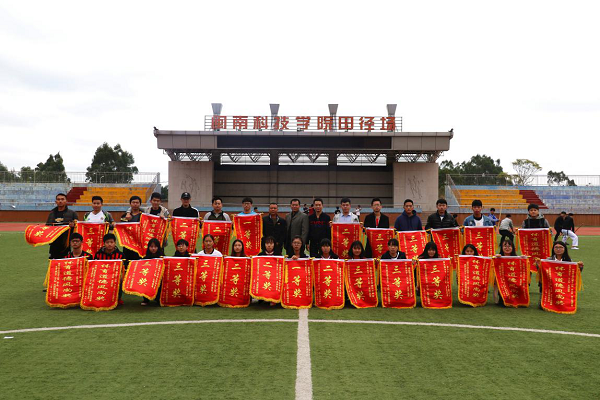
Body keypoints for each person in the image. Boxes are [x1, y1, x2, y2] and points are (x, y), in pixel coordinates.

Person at [46, 193, 78, 259]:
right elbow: (47, 226)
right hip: (54, 244)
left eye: (62, 199)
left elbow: (77, 228)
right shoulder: (52, 213)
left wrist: (73, 226)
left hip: (66, 244)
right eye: (58, 199)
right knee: (53, 262)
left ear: (66, 201)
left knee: (65, 263)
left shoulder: (72, 213)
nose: (60, 201)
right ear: (56, 202)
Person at [493, 238, 518, 305]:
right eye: (505, 246)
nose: (507, 248)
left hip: (513, 281)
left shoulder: (517, 258)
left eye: (509, 246)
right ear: (502, 247)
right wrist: (496, 258)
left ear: (512, 248)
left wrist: (523, 259)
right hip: (502, 282)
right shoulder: (498, 257)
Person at [141, 238, 164, 306]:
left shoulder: (162, 258)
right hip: (148, 278)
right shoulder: (145, 258)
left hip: (158, 278)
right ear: (148, 247)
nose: (153, 248)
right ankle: (146, 299)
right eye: (151, 247)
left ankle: (159, 299)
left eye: (155, 247)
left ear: (158, 247)